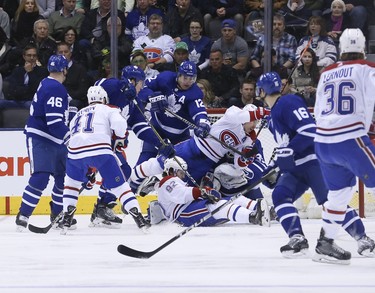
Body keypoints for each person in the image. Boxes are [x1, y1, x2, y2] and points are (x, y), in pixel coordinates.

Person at [256, 71, 375, 259]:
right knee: (280, 195)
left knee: (330, 202)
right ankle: (297, 238)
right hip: (296, 168)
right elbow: (286, 146)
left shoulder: (288, 102)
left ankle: (363, 239)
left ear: (261, 91)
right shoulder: (274, 113)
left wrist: (289, 151)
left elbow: (310, 131)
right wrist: (273, 165)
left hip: (313, 161)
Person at [313, 28, 375, 264]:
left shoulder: (327, 72)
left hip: (323, 142)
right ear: (363, 48)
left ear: (341, 48)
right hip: (350, 140)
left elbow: (319, 108)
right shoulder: (367, 68)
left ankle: (325, 243)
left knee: (339, 195)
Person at [61, 85, 150, 233]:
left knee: (71, 185)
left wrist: (87, 172)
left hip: (74, 152)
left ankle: (66, 219)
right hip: (100, 150)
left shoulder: (78, 114)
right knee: (121, 187)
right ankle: (139, 219)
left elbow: (75, 137)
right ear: (103, 99)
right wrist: (121, 138)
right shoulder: (109, 109)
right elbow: (120, 125)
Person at [15, 55, 71, 231]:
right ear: (64, 70)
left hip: (54, 139)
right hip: (42, 137)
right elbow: (54, 123)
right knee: (41, 177)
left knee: (63, 178)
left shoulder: (47, 84)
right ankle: (24, 214)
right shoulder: (55, 88)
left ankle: (57, 214)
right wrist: (72, 138)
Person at [153, 156, 270, 227]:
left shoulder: (174, 182)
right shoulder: (167, 182)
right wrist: (201, 192)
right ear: (171, 170)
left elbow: (187, 193)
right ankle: (253, 217)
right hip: (183, 214)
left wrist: (205, 192)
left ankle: (267, 211)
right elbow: (182, 194)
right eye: (181, 172)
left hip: (189, 209)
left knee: (233, 199)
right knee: (220, 206)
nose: (183, 176)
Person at [135, 60, 209, 166]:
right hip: (156, 128)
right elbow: (144, 87)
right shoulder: (165, 78)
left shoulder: (195, 93)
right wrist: (152, 96)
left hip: (179, 136)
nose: (188, 82)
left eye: (191, 78)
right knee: (144, 161)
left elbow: (198, 111)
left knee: (182, 166)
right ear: (178, 75)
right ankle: (132, 182)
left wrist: (202, 123)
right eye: (185, 78)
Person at [1, 44, 48, 109]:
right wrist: (27, 89)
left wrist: (30, 73)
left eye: (34, 56)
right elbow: (13, 90)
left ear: (37, 57)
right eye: (29, 55)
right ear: (24, 56)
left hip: (31, 101)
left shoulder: (43, 71)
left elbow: (37, 89)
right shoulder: (17, 70)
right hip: (17, 100)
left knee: (31, 105)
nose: (32, 58)